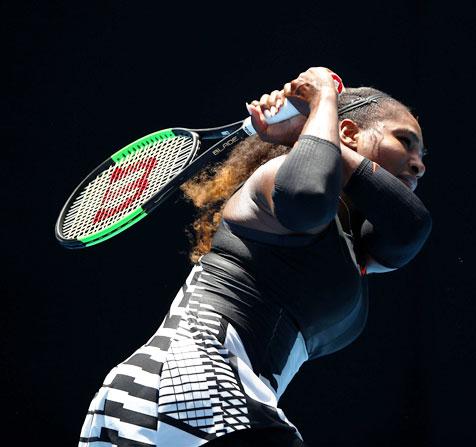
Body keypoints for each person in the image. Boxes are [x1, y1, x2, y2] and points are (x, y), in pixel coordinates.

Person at [78, 67, 431, 447]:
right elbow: (308, 195)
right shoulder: (277, 178)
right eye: (405, 141)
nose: (418, 163)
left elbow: (410, 226)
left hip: (165, 400)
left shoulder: (353, 244)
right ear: (346, 132)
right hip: (185, 385)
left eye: (422, 154)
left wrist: (315, 130)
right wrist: (323, 99)